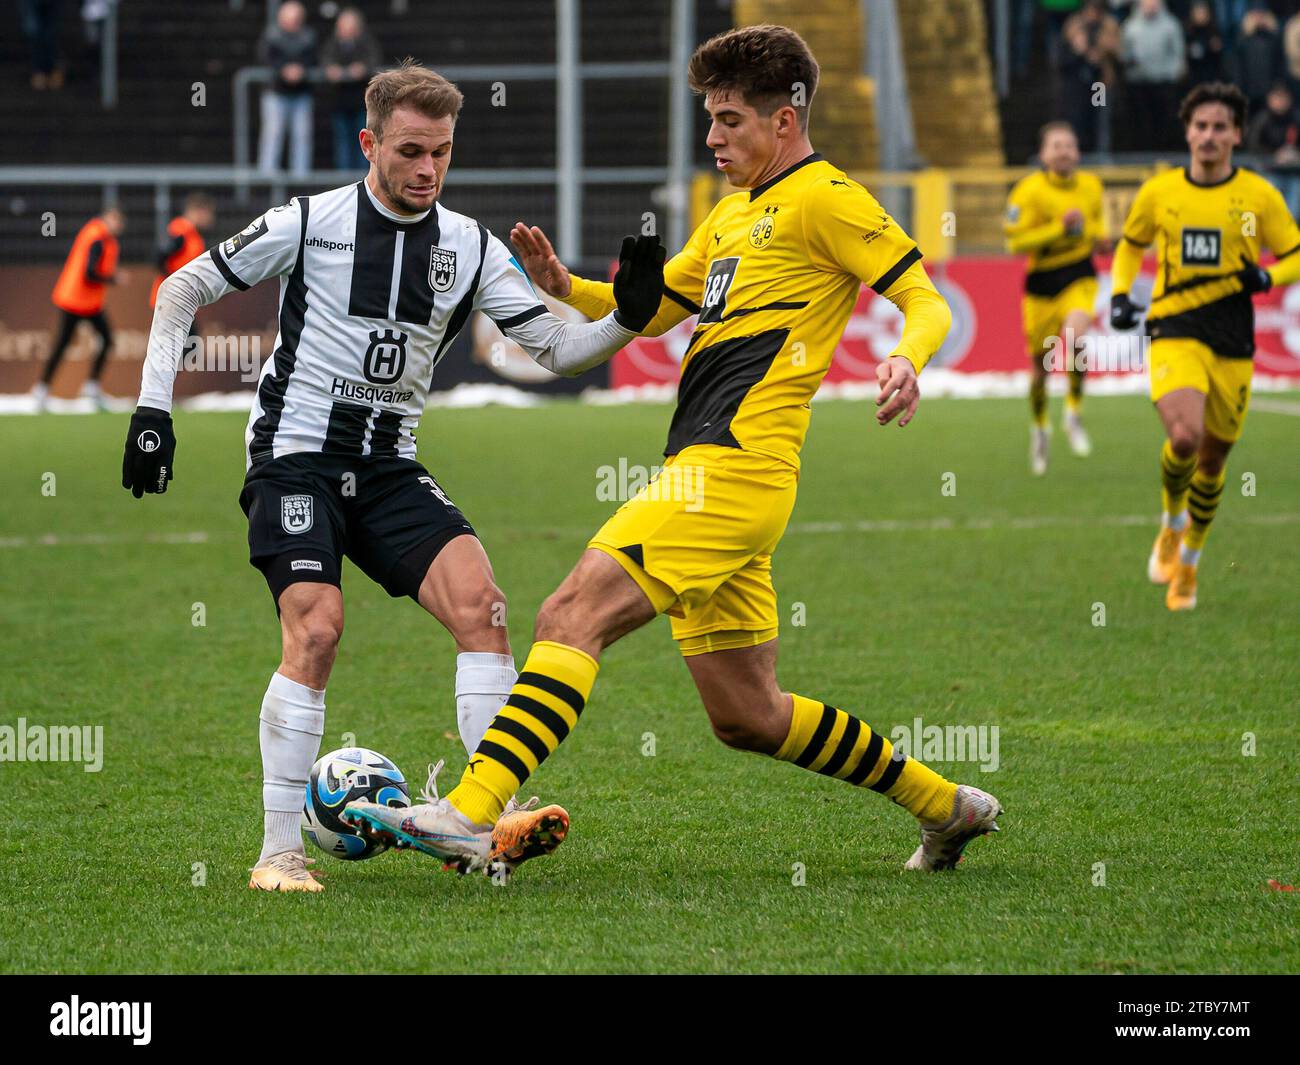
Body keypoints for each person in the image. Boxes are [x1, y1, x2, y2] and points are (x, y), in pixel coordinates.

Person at [343, 25, 1003, 878]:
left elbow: (921, 292)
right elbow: (652, 308)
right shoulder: (733, 214)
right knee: (749, 715)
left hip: (730, 469)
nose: (713, 138)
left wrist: (909, 355)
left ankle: (469, 814)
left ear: (786, 119)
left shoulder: (826, 198)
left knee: (568, 613)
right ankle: (945, 806)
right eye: (711, 119)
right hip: (724, 477)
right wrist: (564, 288)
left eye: (729, 120)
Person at [121, 60, 665, 892]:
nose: (427, 170)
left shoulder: (468, 246)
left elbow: (558, 351)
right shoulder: (310, 221)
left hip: (386, 468)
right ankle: (279, 853)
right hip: (295, 457)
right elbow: (181, 287)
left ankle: (487, 824)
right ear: (370, 142)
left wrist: (626, 315)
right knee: (318, 626)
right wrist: (153, 411)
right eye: (410, 151)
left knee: (483, 606)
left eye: (442, 153)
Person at [1110, 81, 1300, 611]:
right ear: (1188, 132)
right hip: (1174, 328)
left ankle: (1190, 559)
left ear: (1237, 134)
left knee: (1214, 461)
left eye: (1220, 127)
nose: (1209, 136)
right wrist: (1122, 293)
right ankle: (1172, 522)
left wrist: (1266, 278)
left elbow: (1295, 254)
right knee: (1186, 436)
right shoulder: (1160, 191)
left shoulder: (1259, 196)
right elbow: (1130, 245)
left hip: (1233, 340)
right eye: (1201, 126)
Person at [1005, 121, 1106, 475]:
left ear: (1077, 152)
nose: (1064, 151)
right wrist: (1059, 228)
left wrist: (1089, 232)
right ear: (1044, 153)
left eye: (1070, 145)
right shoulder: (1027, 191)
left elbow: (1097, 230)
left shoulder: (1091, 186)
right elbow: (1015, 243)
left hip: (1079, 272)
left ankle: (1074, 413)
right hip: (1042, 283)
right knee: (1040, 368)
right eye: (1057, 145)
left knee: (1076, 340)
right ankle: (1040, 427)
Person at [34, 205, 126, 411]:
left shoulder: (102, 237)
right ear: (107, 218)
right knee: (63, 344)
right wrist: (113, 278)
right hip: (75, 301)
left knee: (106, 339)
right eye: (115, 220)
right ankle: (42, 390)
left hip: (89, 302)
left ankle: (90, 386)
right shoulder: (97, 238)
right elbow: (89, 272)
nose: (118, 226)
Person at [257, 0, 318, 175]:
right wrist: (284, 70)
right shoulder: (271, 36)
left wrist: (301, 70)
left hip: (301, 93)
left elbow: (313, 58)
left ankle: (300, 174)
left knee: (302, 135)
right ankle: (267, 173)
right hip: (276, 92)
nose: (293, 22)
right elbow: (265, 58)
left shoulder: (308, 36)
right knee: (273, 133)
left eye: (296, 19)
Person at [1122, 0, 1187, 151]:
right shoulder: (1131, 26)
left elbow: (1178, 53)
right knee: (1140, 121)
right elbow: (1125, 53)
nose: (1150, 4)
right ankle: (1141, 151)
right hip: (1138, 82)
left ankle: (1164, 150)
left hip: (1163, 82)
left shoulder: (1171, 25)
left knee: (1164, 121)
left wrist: (1171, 73)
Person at [322, 7, 382, 172]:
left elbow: (372, 62)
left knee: (364, 141)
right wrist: (332, 70)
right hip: (340, 102)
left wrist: (362, 69)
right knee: (343, 141)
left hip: (362, 102)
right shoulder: (333, 44)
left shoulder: (365, 43)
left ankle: (364, 176)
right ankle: (344, 177)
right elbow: (326, 62)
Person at [1245, 83, 1300, 216]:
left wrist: (1296, 154)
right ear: (1270, 99)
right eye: (1277, 97)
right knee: (1271, 211)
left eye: (1284, 97)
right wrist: (1275, 155)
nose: (1280, 101)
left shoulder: (1296, 118)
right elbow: (1253, 146)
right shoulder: (1262, 120)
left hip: (1294, 174)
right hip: (1268, 172)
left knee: (1291, 214)